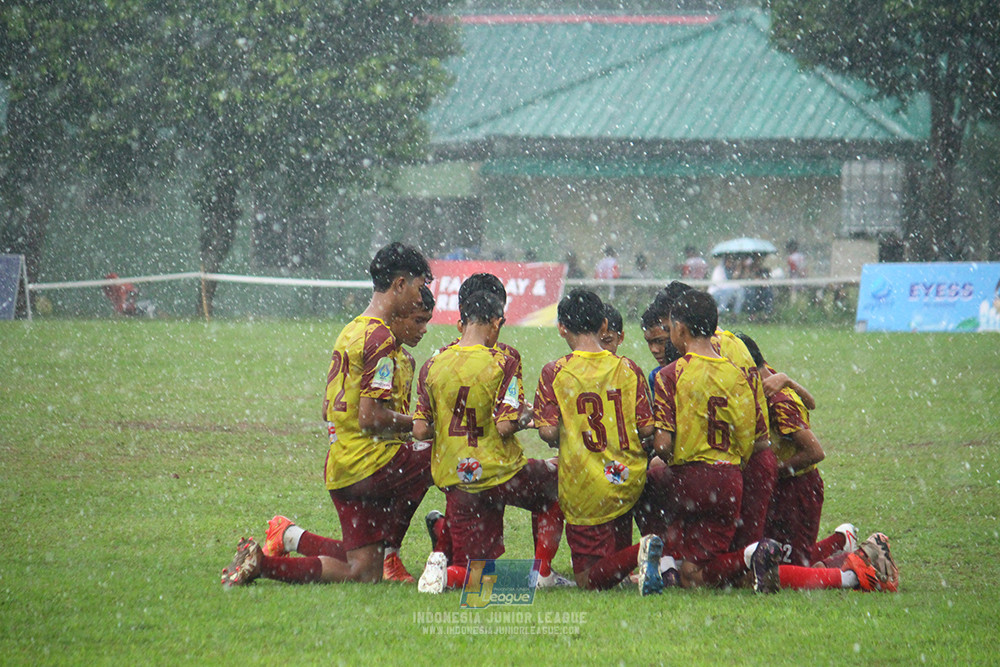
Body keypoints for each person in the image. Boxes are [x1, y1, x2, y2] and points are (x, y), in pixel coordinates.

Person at [221, 242, 434, 587]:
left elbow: (327, 408)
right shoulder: (382, 337)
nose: (421, 293)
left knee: (363, 571)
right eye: (419, 285)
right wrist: (418, 424)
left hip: (342, 466)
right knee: (451, 456)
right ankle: (455, 561)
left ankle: (266, 559)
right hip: (371, 463)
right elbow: (369, 418)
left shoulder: (352, 329)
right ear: (399, 285)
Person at [412, 288, 568, 593]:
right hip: (500, 473)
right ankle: (543, 572)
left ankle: (444, 574)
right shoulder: (504, 359)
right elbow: (506, 425)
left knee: (476, 574)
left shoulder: (433, 364)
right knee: (560, 483)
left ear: (463, 321)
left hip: (458, 480)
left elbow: (420, 431)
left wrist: (450, 424)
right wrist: (529, 417)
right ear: (496, 322)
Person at [533, 288, 664, 594]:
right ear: (604, 326)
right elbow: (647, 429)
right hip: (626, 478)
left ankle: (641, 551)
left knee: (588, 580)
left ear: (562, 327)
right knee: (612, 575)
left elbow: (548, 432)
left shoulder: (555, 371)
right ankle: (636, 559)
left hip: (585, 484)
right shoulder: (628, 368)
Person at [651, 289, 781, 593]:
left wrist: (668, 455)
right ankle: (748, 556)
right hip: (730, 481)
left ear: (679, 329)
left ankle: (669, 561)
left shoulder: (670, 374)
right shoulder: (737, 374)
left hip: (690, 481)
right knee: (703, 565)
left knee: (692, 575)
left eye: (669, 329)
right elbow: (759, 440)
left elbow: (662, 446)